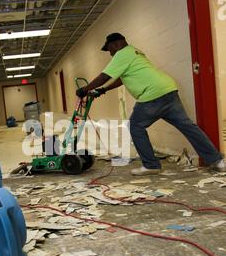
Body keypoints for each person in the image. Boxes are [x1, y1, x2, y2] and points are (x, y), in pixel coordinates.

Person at [76, 33, 226, 176]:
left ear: (116, 43)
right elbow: (122, 79)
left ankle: (151, 165)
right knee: (188, 127)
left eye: (110, 50)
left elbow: (104, 76)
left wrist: (84, 89)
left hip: (152, 95)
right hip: (168, 90)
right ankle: (217, 161)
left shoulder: (122, 54)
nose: (110, 54)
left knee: (135, 126)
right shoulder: (136, 52)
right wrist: (103, 90)